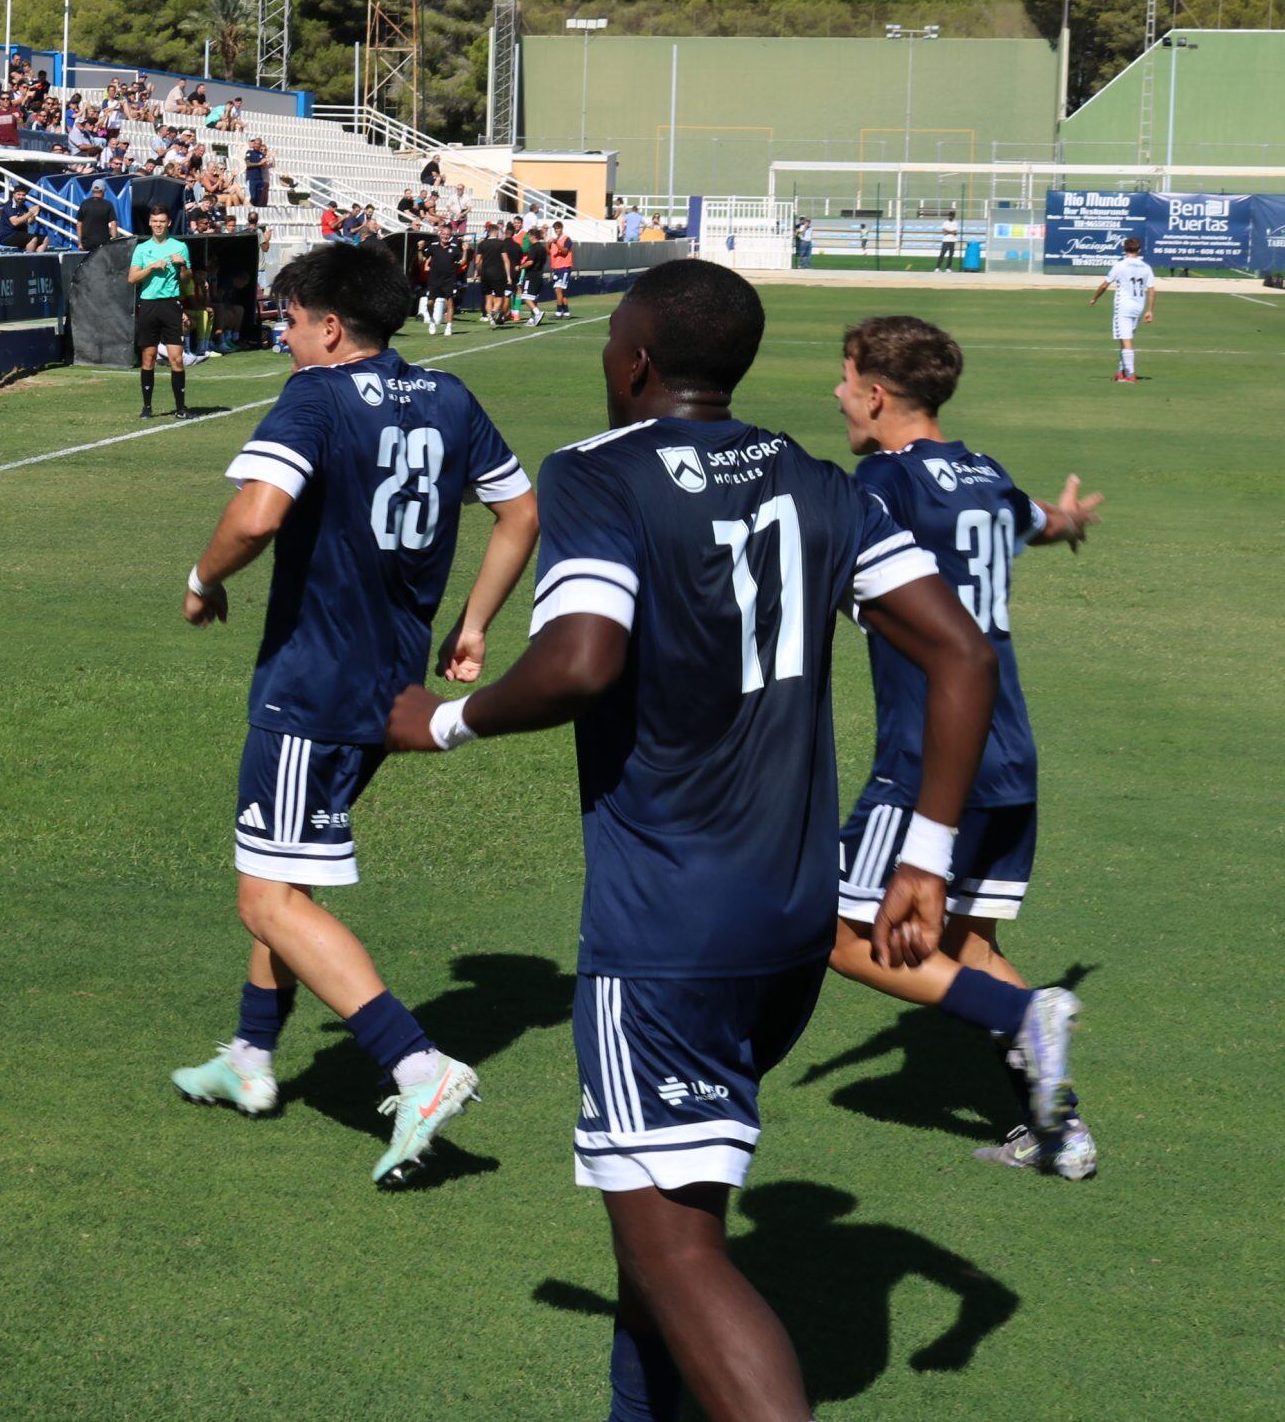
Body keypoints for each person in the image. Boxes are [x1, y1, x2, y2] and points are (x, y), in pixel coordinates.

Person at [383, 259, 997, 1422]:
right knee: (658, 1217)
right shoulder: (820, 480)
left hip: (665, 932)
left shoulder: (597, 476)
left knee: (674, 1254)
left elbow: (577, 663)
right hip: (788, 924)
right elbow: (962, 654)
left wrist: (443, 720)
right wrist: (921, 855)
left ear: (635, 361)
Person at [170, 241, 537, 1186]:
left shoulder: (317, 396)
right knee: (283, 871)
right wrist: (474, 625)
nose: (284, 339)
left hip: (314, 684)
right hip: (389, 683)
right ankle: (252, 1056)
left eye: (289, 323)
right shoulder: (450, 398)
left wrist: (204, 576)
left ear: (330, 327)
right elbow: (521, 513)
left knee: (267, 895)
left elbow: (257, 515)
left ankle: (419, 1066)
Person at [828, 315, 1100, 1178]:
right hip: (1010, 754)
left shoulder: (881, 482)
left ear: (875, 392)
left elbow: (824, 570)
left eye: (844, 378)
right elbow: (1036, 522)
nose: (837, 394)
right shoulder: (983, 471)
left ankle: (1027, 1017)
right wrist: (1068, 519)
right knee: (970, 948)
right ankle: (1062, 1132)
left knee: (837, 933)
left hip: (928, 757)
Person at [128, 208, 193, 419]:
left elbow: (186, 279)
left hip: (170, 305)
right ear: (149, 222)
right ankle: (147, 408)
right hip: (148, 305)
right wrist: (152, 267)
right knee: (148, 358)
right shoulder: (142, 248)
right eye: (155, 221)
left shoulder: (180, 247)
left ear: (169, 223)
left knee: (177, 359)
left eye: (162, 221)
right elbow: (132, 278)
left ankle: (181, 408)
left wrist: (182, 265)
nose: (158, 225)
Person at [1090, 237, 1156, 384]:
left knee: (1126, 340)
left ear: (1125, 250)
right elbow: (1152, 290)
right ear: (1139, 250)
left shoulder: (1120, 265)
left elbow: (1104, 285)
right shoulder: (1146, 267)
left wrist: (1095, 298)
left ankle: (1131, 375)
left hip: (1124, 306)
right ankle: (1120, 372)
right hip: (1139, 306)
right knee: (1124, 337)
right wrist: (1150, 310)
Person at [546, 223, 576, 319]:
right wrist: (548, 243)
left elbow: (564, 251)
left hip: (564, 267)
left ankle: (559, 312)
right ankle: (566, 313)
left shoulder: (566, 239)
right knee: (561, 292)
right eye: (555, 229)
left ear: (561, 228)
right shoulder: (555, 241)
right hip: (556, 268)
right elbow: (548, 252)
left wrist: (555, 243)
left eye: (558, 228)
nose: (556, 230)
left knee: (558, 290)